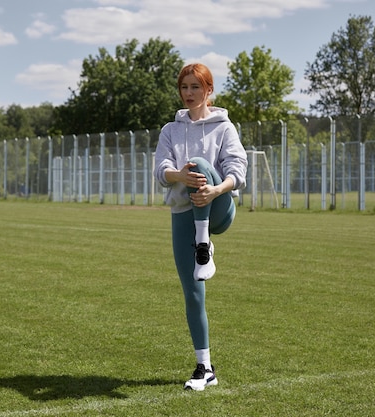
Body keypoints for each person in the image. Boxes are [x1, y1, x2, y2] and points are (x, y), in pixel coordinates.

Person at [154, 63, 248, 391]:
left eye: (196, 87)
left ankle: (204, 244)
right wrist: (180, 176)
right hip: (183, 213)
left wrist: (214, 189)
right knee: (193, 293)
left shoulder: (224, 128)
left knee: (202, 164)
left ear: (209, 90)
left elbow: (238, 170)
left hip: (219, 208)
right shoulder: (170, 130)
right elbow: (161, 170)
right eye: (185, 87)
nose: (190, 93)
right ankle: (204, 367)